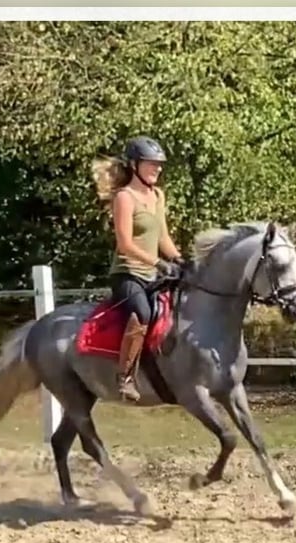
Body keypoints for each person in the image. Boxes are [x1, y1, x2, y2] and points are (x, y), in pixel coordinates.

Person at [91, 135, 185, 402]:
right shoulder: (125, 197)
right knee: (141, 313)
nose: (158, 168)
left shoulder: (157, 195)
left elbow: (162, 237)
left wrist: (178, 259)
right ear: (135, 165)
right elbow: (125, 244)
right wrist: (157, 262)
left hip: (152, 275)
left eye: (159, 164)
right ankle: (125, 378)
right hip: (127, 274)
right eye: (151, 164)